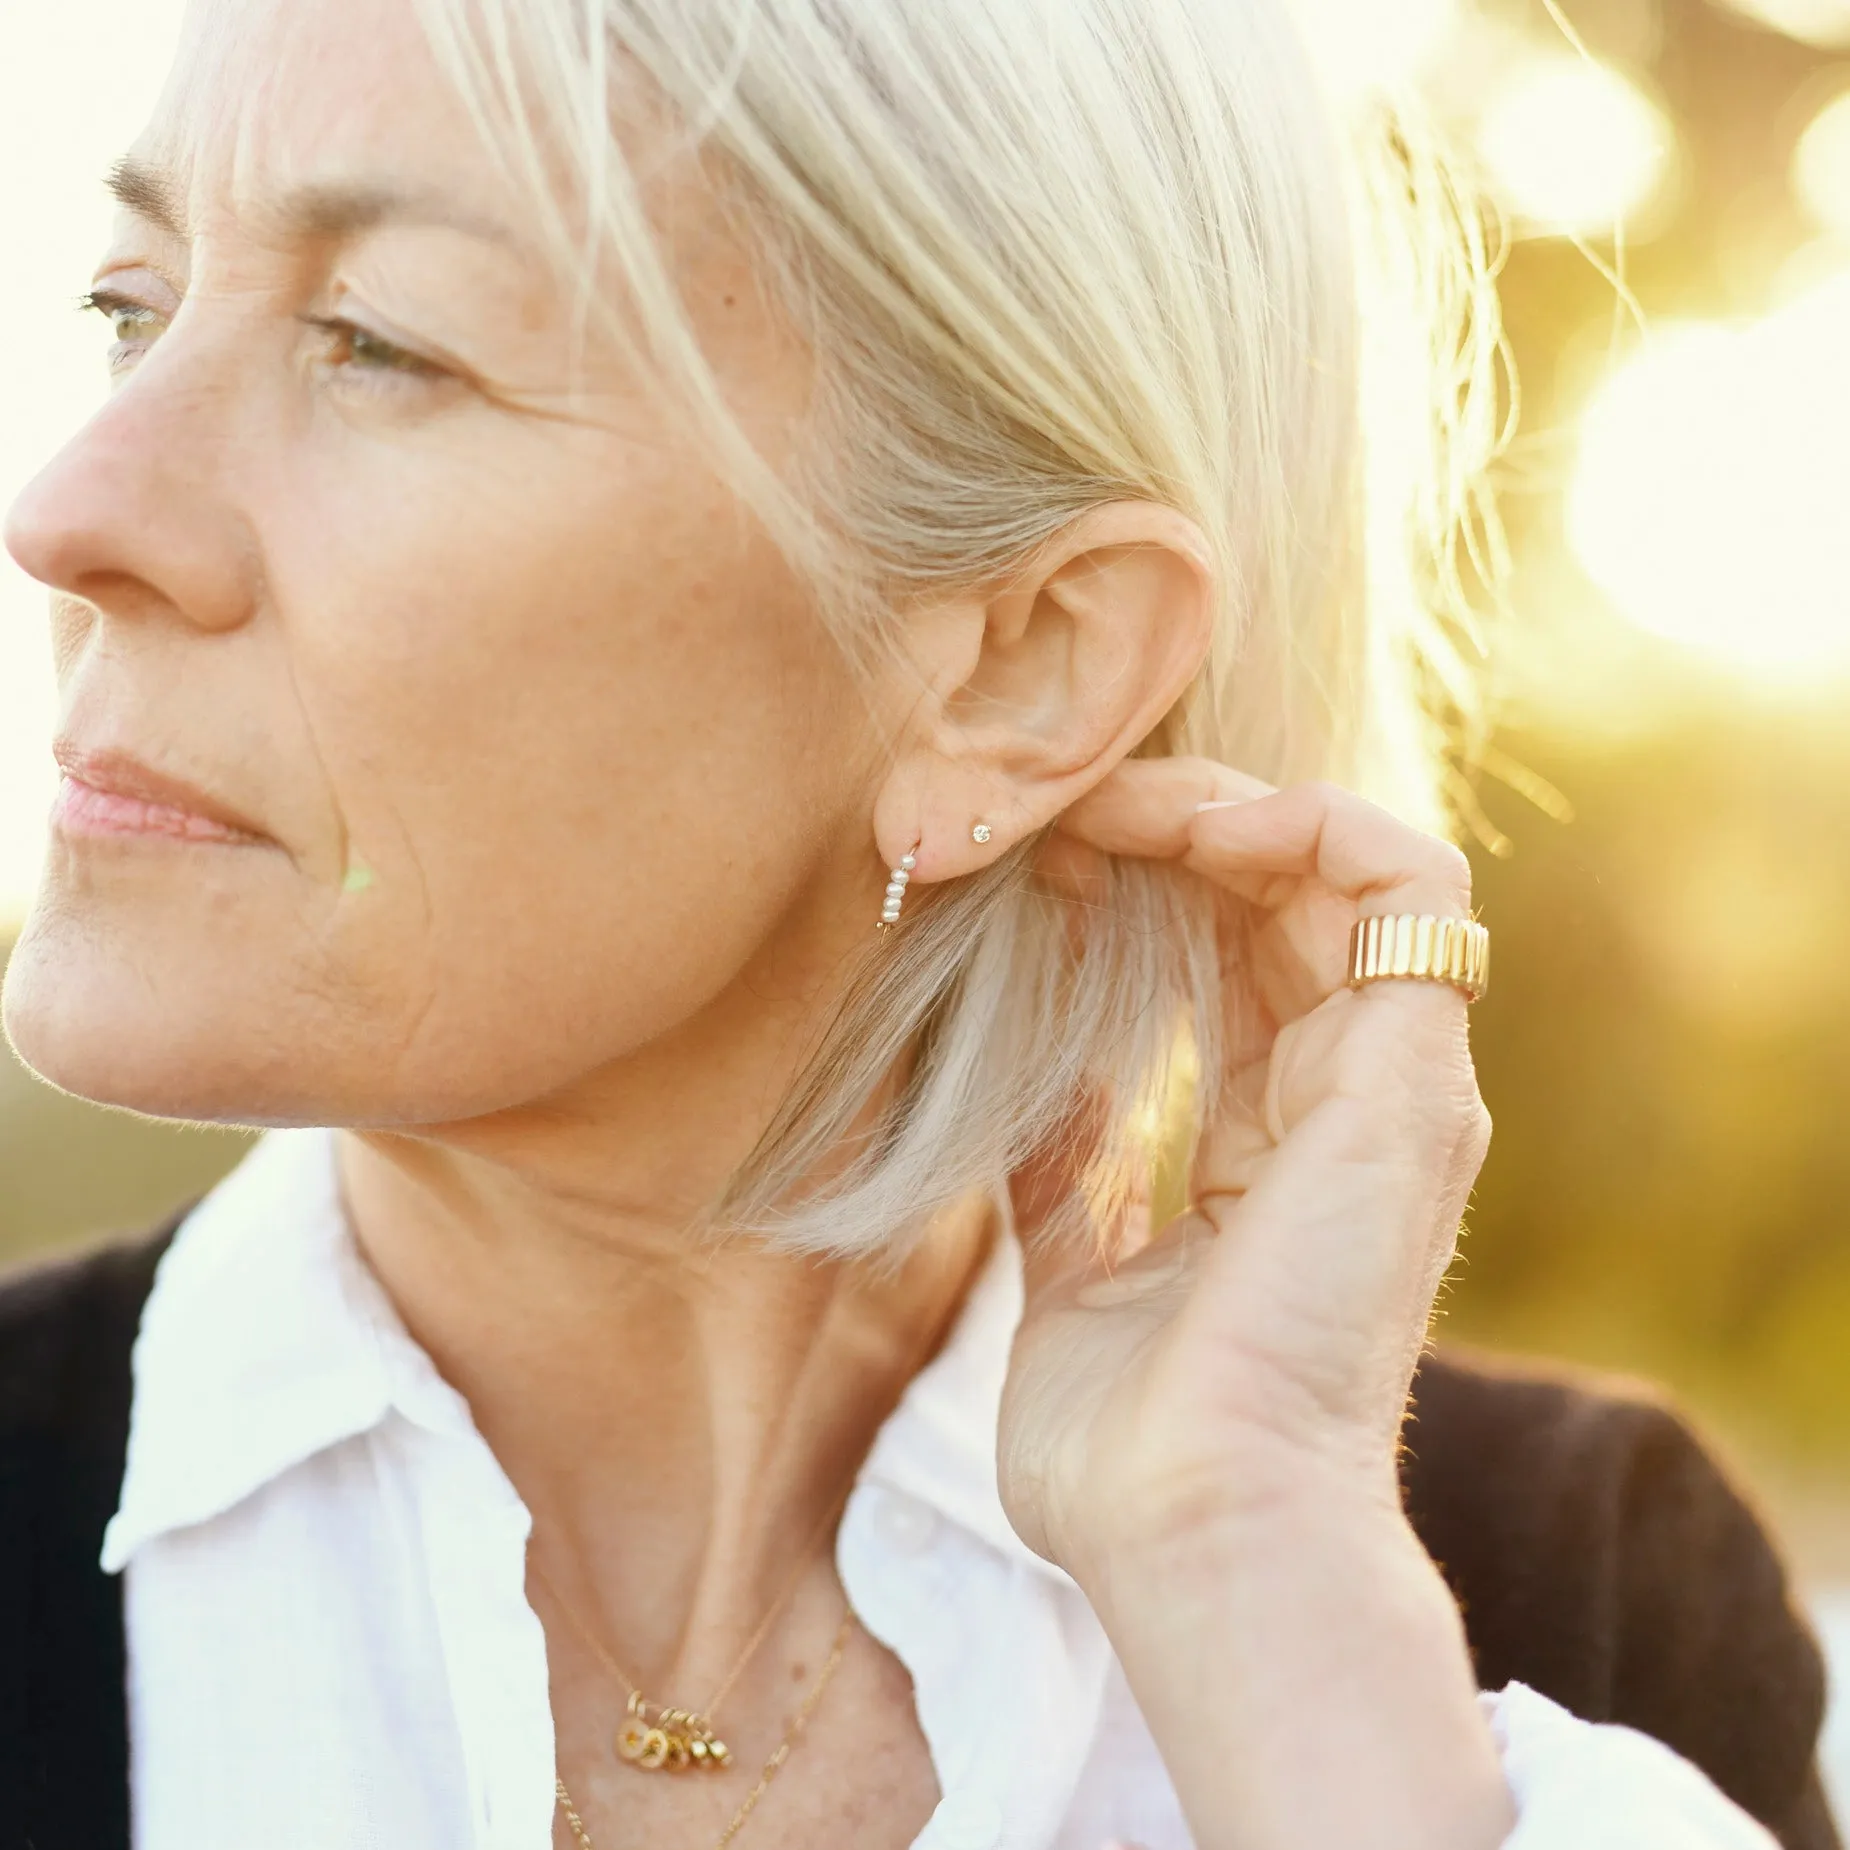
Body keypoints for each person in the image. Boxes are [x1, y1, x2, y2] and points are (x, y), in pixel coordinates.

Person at [0, 0, 1834, 1845]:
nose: (71, 510)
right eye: (129, 307)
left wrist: (1259, 1585)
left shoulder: (1575, 1620)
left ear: (1022, 667)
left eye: (377, 344)